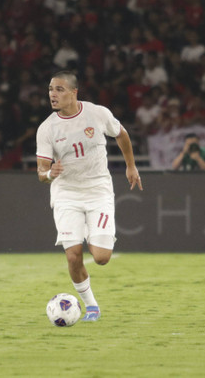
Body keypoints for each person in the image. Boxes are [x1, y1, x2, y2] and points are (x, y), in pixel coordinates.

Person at [36, 71, 143, 322]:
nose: (53, 94)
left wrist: (131, 166)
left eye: (59, 89)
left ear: (74, 93)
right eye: (51, 89)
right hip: (66, 194)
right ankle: (91, 306)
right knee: (73, 255)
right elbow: (41, 172)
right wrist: (50, 174)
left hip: (98, 191)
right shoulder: (47, 128)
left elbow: (122, 134)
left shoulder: (97, 114)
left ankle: (89, 231)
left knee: (101, 258)